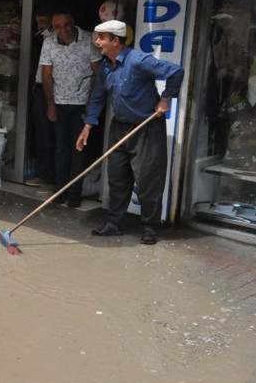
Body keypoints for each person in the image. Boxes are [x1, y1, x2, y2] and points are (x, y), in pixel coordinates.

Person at [76, 20, 184, 245]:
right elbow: (97, 97)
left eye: (102, 38)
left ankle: (150, 227)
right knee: (117, 179)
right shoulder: (107, 66)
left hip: (146, 127)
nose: (97, 42)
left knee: (147, 182)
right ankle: (114, 223)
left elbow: (176, 71)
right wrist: (88, 126)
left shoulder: (138, 60)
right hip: (120, 127)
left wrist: (165, 99)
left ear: (115, 41)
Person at [40, 8, 102, 208]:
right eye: (57, 26)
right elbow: (46, 75)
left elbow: (97, 73)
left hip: (82, 104)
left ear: (73, 22)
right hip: (59, 102)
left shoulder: (88, 40)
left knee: (79, 149)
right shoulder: (48, 42)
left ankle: (75, 191)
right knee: (60, 148)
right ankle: (61, 189)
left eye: (66, 25)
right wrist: (50, 104)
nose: (62, 30)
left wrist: (91, 101)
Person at [27, 6, 54, 188]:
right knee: (39, 132)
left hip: (52, 91)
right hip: (38, 88)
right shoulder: (39, 38)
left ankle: (49, 175)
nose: (40, 25)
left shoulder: (54, 40)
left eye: (43, 22)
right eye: (38, 22)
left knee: (49, 135)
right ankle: (42, 171)